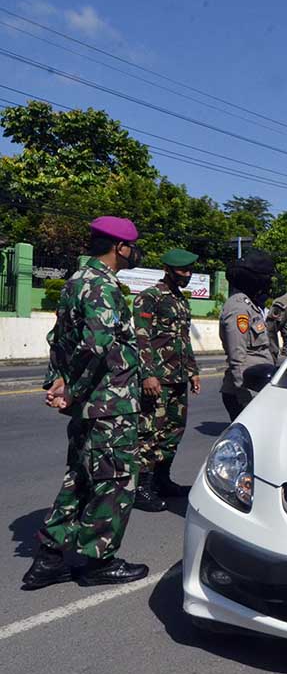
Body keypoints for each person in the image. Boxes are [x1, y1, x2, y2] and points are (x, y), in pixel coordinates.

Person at [23, 216, 149, 590]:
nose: (134, 252)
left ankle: (49, 558)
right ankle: (98, 561)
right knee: (115, 480)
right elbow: (97, 345)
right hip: (109, 404)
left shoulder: (76, 281)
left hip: (92, 403)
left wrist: (59, 380)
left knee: (80, 477)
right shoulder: (101, 286)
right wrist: (71, 388)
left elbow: (59, 338)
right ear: (119, 247)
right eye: (132, 246)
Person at [132, 248, 201, 512]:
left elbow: (183, 340)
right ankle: (141, 486)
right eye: (183, 270)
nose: (187, 275)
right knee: (150, 432)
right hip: (157, 379)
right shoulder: (150, 297)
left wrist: (193, 371)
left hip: (178, 377)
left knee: (174, 430)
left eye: (189, 270)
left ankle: (162, 480)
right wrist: (148, 374)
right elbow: (141, 337)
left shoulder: (180, 300)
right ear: (168, 270)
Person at [220, 249, 276, 421]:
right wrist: (243, 395)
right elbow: (237, 356)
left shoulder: (250, 305)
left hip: (256, 387)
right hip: (244, 389)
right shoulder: (239, 309)